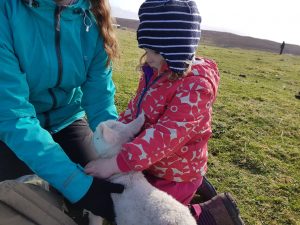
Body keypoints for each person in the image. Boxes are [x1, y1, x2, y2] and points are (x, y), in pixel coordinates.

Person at [85, 0, 244, 224]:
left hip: (176, 174)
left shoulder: (195, 87)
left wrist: (114, 164)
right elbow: (136, 110)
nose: (148, 56)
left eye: (154, 50)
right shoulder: (155, 70)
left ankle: (212, 214)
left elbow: (165, 136)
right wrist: (118, 134)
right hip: (149, 164)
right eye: (146, 49)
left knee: (162, 214)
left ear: (175, 48)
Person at [0, 0, 124, 223]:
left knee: (112, 184)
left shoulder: (92, 18)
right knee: (20, 204)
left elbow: (101, 101)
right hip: (10, 128)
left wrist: (117, 153)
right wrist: (78, 185)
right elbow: (13, 114)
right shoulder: (6, 11)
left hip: (67, 120)